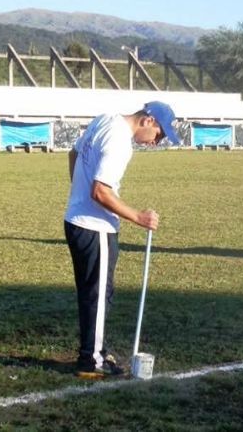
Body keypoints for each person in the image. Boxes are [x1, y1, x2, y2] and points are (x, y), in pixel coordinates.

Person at [64, 101, 180, 378]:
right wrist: (138, 217)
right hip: (95, 227)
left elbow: (73, 154)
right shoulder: (120, 142)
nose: (155, 143)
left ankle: (95, 350)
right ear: (147, 121)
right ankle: (92, 360)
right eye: (159, 136)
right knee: (98, 295)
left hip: (76, 220)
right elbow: (101, 192)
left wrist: (77, 194)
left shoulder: (104, 118)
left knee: (93, 292)